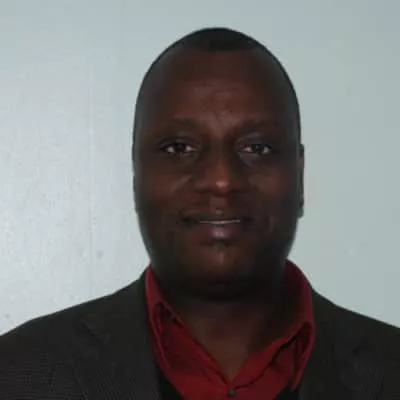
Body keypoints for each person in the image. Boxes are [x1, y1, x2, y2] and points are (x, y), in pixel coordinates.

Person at [0, 27, 399, 400]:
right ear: (137, 173)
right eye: (179, 148)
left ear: (299, 174)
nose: (221, 180)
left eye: (256, 148)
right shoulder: (18, 374)